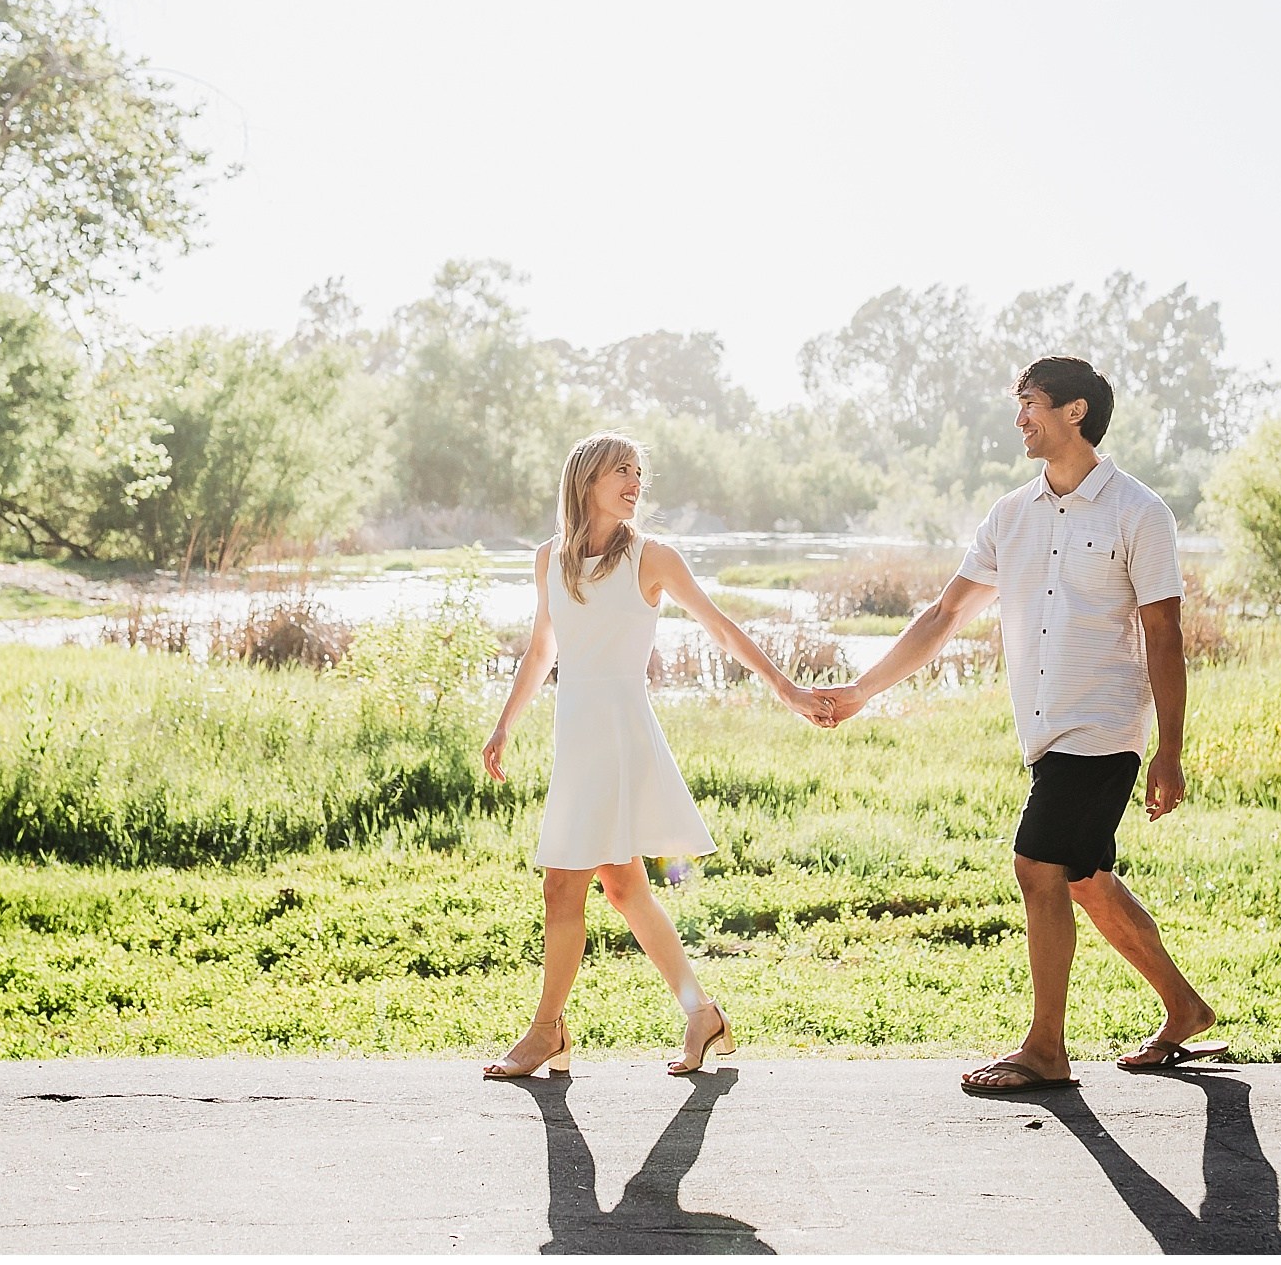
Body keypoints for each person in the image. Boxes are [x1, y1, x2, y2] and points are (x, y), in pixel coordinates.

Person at [815, 356, 1221, 1095]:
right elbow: (943, 615)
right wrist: (862, 690)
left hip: (1102, 729)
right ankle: (1185, 1008)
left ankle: (1046, 1048)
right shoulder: (1011, 514)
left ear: (1074, 411)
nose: (1019, 418)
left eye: (1029, 403)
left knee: (1036, 863)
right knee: (1087, 879)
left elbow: (1164, 633)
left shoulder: (1139, 511)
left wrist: (1170, 750)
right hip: (1043, 731)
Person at [481, 432, 837, 1080]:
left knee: (564, 883)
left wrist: (784, 688)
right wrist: (504, 723)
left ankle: (545, 1031)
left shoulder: (653, 557)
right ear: (586, 478)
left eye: (638, 472)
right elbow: (541, 652)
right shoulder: (548, 559)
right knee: (622, 886)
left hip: (620, 737)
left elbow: (720, 627)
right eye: (622, 470)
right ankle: (701, 1013)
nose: (634, 482)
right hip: (577, 734)